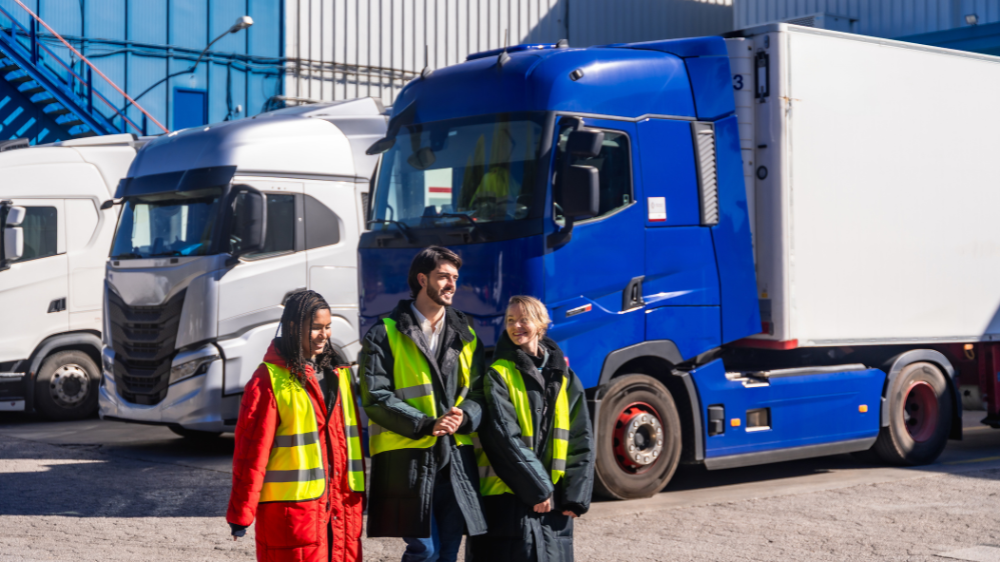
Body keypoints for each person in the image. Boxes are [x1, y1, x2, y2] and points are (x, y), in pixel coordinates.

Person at [359, 245, 487, 562]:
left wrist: (466, 416)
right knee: (424, 551)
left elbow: (481, 394)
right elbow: (375, 396)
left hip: (456, 459)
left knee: (447, 552)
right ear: (421, 279)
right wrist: (426, 424)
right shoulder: (384, 333)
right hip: (407, 460)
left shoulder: (467, 335)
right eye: (443, 276)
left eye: (455, 277)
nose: (451, 284)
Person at [226, 290, 365, 562]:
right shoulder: (268, 380)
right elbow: (250, 455)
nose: (324, 335)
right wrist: (241, 514)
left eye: (327, 327)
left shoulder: (339, 374)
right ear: (292, 327)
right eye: (315, 328)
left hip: (340, 507)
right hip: (293, 515)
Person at [467, 295, 595, 562]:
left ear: (541, 323)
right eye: (510, 320)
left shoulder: (564, 375)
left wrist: (575, 496)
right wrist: (538, 488)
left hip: (553, 499)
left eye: (524, 319)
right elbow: (503, 437)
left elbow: (581, 437)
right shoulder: (498, 373)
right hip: (509, 496)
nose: (516, 326)